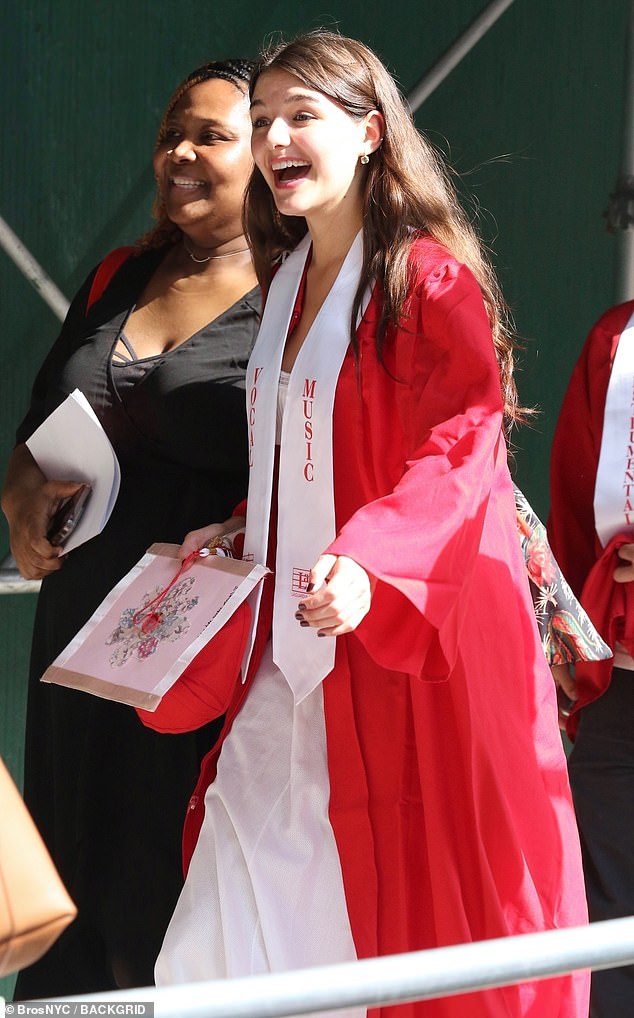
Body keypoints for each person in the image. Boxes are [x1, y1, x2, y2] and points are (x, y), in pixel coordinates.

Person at [149, 31, 589, 1017]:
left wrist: (369, 558)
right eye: (263, 119)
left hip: (394, 646)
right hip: (289, 660)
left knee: (402, 924)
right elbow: (305, 458)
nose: (274, 137)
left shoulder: (426, 281)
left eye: (302, 114)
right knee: (214, 947)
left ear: (370, 133)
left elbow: (460, 437)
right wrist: (241, 530)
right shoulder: (286, 282)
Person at [0, 58, 260, 996]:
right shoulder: (120, 273)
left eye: (211, 137)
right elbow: (35, 435)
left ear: (268, 155)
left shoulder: (300, 295)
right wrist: (22, 503)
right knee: (73, 873)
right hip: (77, 640)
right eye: (169, 134)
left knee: (166, 890)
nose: (180, 154)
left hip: (194, 655)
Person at [549, 299, 634, 1018]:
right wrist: (571, 643)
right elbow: (577, 509)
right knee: (604, 934)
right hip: (623, 691)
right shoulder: (617, 340)